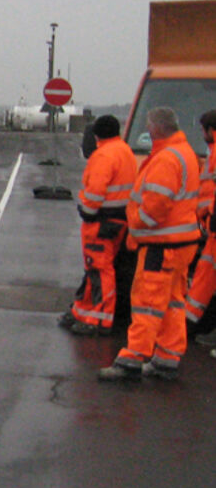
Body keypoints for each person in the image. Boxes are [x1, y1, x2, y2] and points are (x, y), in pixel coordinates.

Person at [100, 107, 201, 381]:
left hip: (161, 245)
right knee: (172, 302)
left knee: (147, 301)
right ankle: (167, 357)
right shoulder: (184, 153)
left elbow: (156, 206)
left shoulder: (167, 159)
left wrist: (136, 223)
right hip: (180, 243)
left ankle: (132, 358)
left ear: (156, 128)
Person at [58, 115, 136, 336]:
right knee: (96, 269)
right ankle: (83, 311)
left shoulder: (103, 155)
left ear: (96, 135)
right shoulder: (125, 151)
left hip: (102, 221)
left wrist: (86, 211)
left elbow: (95, 192)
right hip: (120, 220)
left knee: (100, 269)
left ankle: (100, 319)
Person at [186, 111, 216, 337]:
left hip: (211, 225)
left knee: (205, 277)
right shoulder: (211, 154)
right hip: (207, 225)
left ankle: (192, 325)